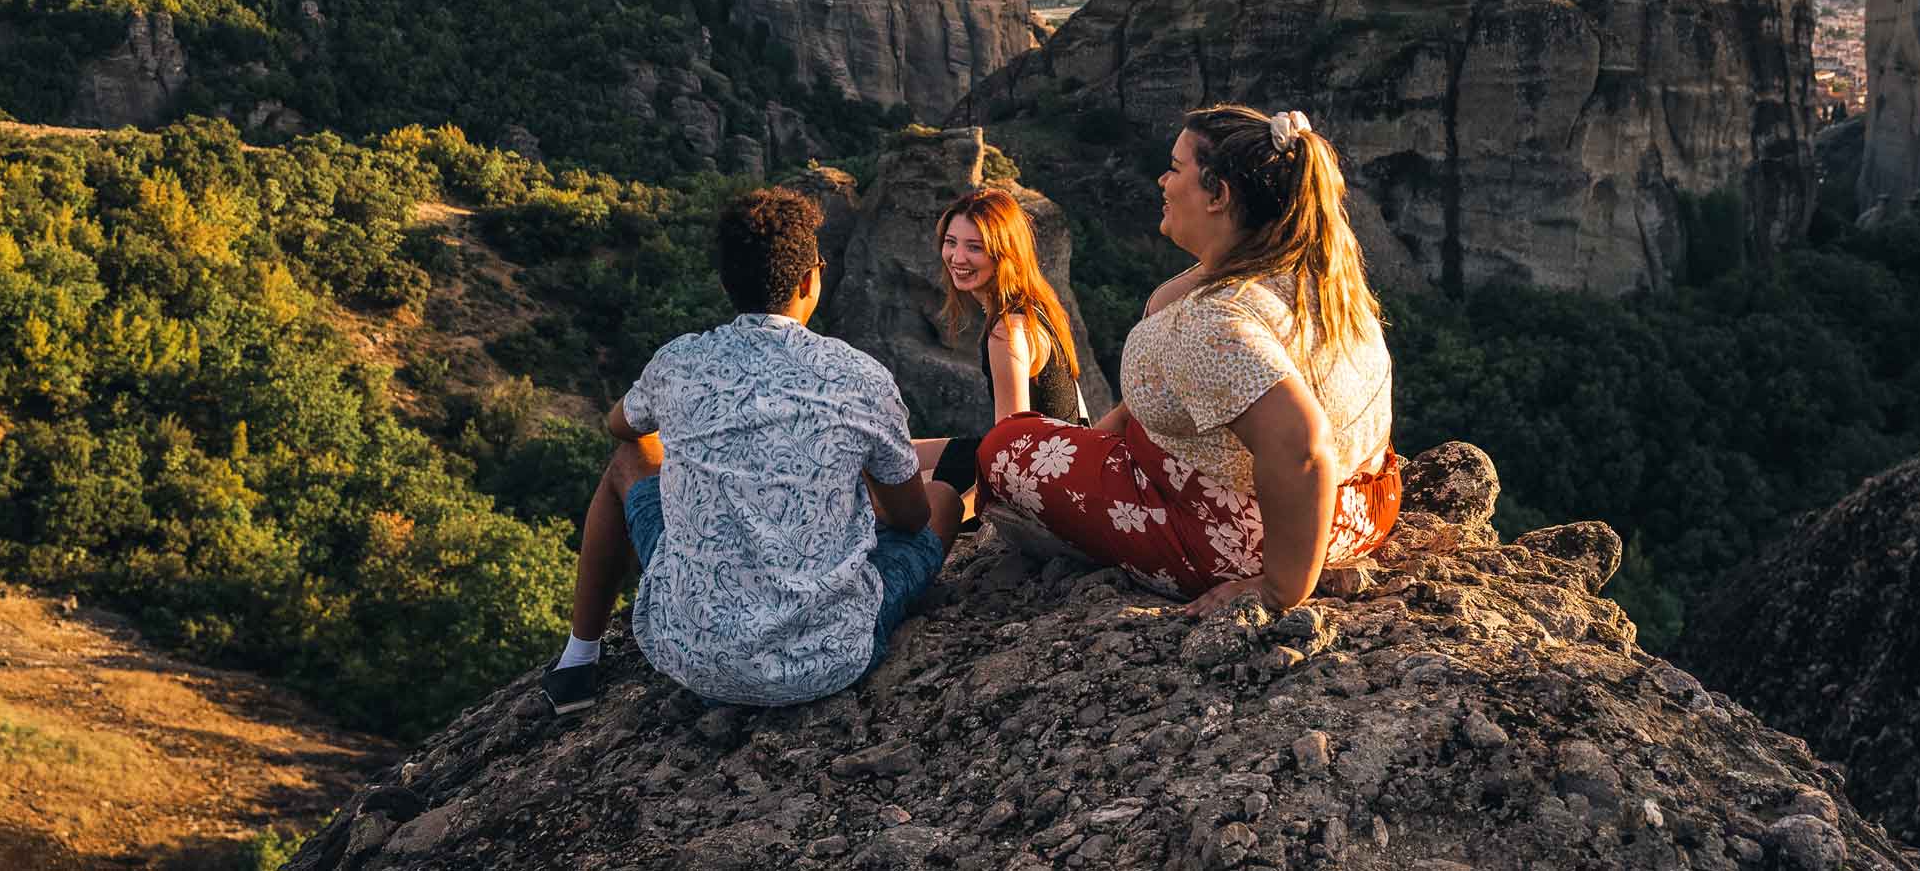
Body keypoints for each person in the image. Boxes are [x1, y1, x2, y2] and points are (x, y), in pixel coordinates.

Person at [541, 187, 963, 713]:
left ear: (725, 283)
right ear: (812, 278)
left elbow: (619, 426)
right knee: (943, 497)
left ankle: (578, 662)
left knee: (627, 461)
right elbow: (909, 515)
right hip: (823, 664)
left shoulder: (679, 363)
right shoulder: (860, 378)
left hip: (689, 650)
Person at [977, 104, 1399, 617]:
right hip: (1358, 512)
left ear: (1218, 195)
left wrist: (1281, 589)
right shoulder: (1320, 277)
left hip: (1248, 539)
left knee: (1003, 445)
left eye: (1175, 168)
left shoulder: (1214, 323)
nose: (1161, 179)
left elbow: (1300, 444)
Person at [917, 187, 1088, 497]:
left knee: (889, 484)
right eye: (951, 243)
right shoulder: (1037, 306)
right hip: (1051, 462)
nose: (957, 258)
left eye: (975, 247)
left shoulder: (1008, 331)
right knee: (891, 456)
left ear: (1004, 253)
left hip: (1044, 482)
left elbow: (1011, 450)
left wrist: (969, 508)